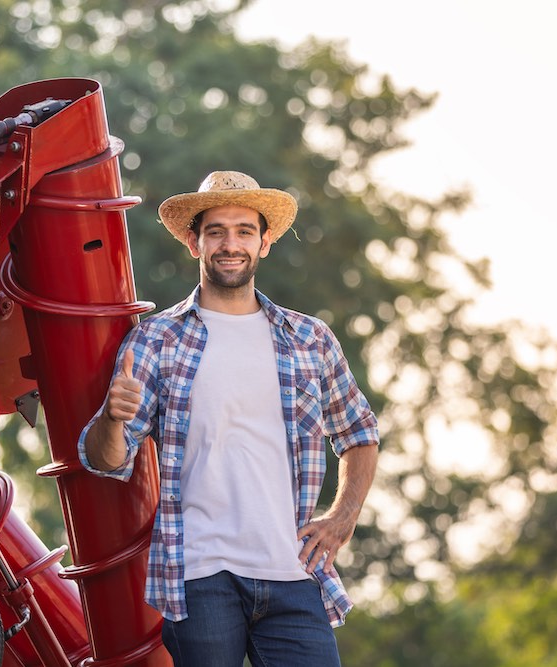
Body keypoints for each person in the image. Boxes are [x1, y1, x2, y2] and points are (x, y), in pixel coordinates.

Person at [78, 170, 380, 666]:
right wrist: (113, 418)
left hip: (294, 572)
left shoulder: (310, 340)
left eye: (244, 230)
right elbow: (107, 460)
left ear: (264, 243)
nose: (230, 244)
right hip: (199, 577)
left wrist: (342, 517)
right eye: (216, 231)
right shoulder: (156, 340)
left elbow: (359, 433)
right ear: (194, 243)